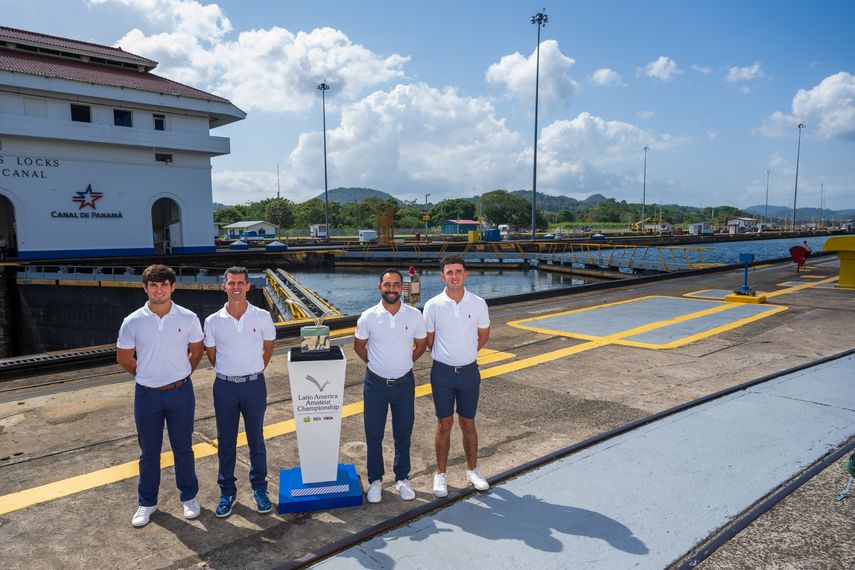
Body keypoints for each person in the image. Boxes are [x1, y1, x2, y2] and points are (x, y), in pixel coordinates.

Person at [117, 264, 204, 528]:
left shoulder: (188, 317)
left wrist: (180, 373)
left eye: (164, 284)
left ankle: (188, 496)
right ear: (145, 288)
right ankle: (147, 502)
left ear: (173, 287)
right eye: (153, 285)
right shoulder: (133, 321)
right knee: (149, 451)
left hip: (180, 392)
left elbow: (197, 351)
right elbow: (123, 358)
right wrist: (146, 375)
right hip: (147, 395)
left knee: (183, 448)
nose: (159, 289)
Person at [204, 267, 276, 517]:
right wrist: (230, 372)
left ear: (248, 286)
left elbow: (268, 349)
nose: (235, 287)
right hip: (224, 387)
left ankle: (260, 489)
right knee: (226, 441)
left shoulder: (263, 317)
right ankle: (227, 492)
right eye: (231, 283)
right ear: (224, 286)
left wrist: (251, 371)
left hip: (254, 385)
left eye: (240, 283)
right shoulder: (212, 321)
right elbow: (212, 355)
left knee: (256, 439)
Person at [354, 269, 427, 503]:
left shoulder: (414, 315)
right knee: (373, 434)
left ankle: (402, 478)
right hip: (375, 383)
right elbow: (359, 346)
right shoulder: (368, 316)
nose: (392, 289)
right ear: (380, 288)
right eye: (387, 285)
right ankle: (375, 480)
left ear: (402, 288)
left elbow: (421, 345)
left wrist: (405, 362)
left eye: (396, 285)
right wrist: (374, 363)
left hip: (404, 383)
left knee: (403, 433)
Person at [423, 254, 491, 497]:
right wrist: (448, 355)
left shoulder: (478, 303)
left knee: (468, 423)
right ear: (443, 276)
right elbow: (429, 339)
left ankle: (472, 470)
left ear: (466, 274)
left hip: (469, 372)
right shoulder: (432, 305)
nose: (454, 276)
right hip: (442, 373)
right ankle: (440, 474)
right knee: (444, 424)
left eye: (458, 271)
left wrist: (468, 352)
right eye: (449, 272)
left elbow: (483, 334)